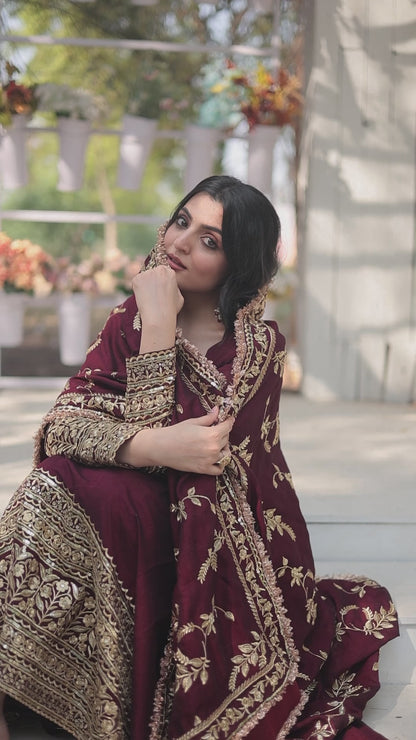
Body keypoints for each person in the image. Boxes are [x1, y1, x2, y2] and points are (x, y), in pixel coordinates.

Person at [0, 176, 398, 740]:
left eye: (210, 240)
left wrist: (160, 328)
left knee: (81, 483)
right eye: (181, 221)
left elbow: (210, 467)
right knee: (52, 482)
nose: (181, 243)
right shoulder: (126, 320)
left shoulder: (256, 348)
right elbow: (64, 425)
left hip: (204, 533)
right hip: (131, 501)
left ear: (239, 265)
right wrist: (151, 442)